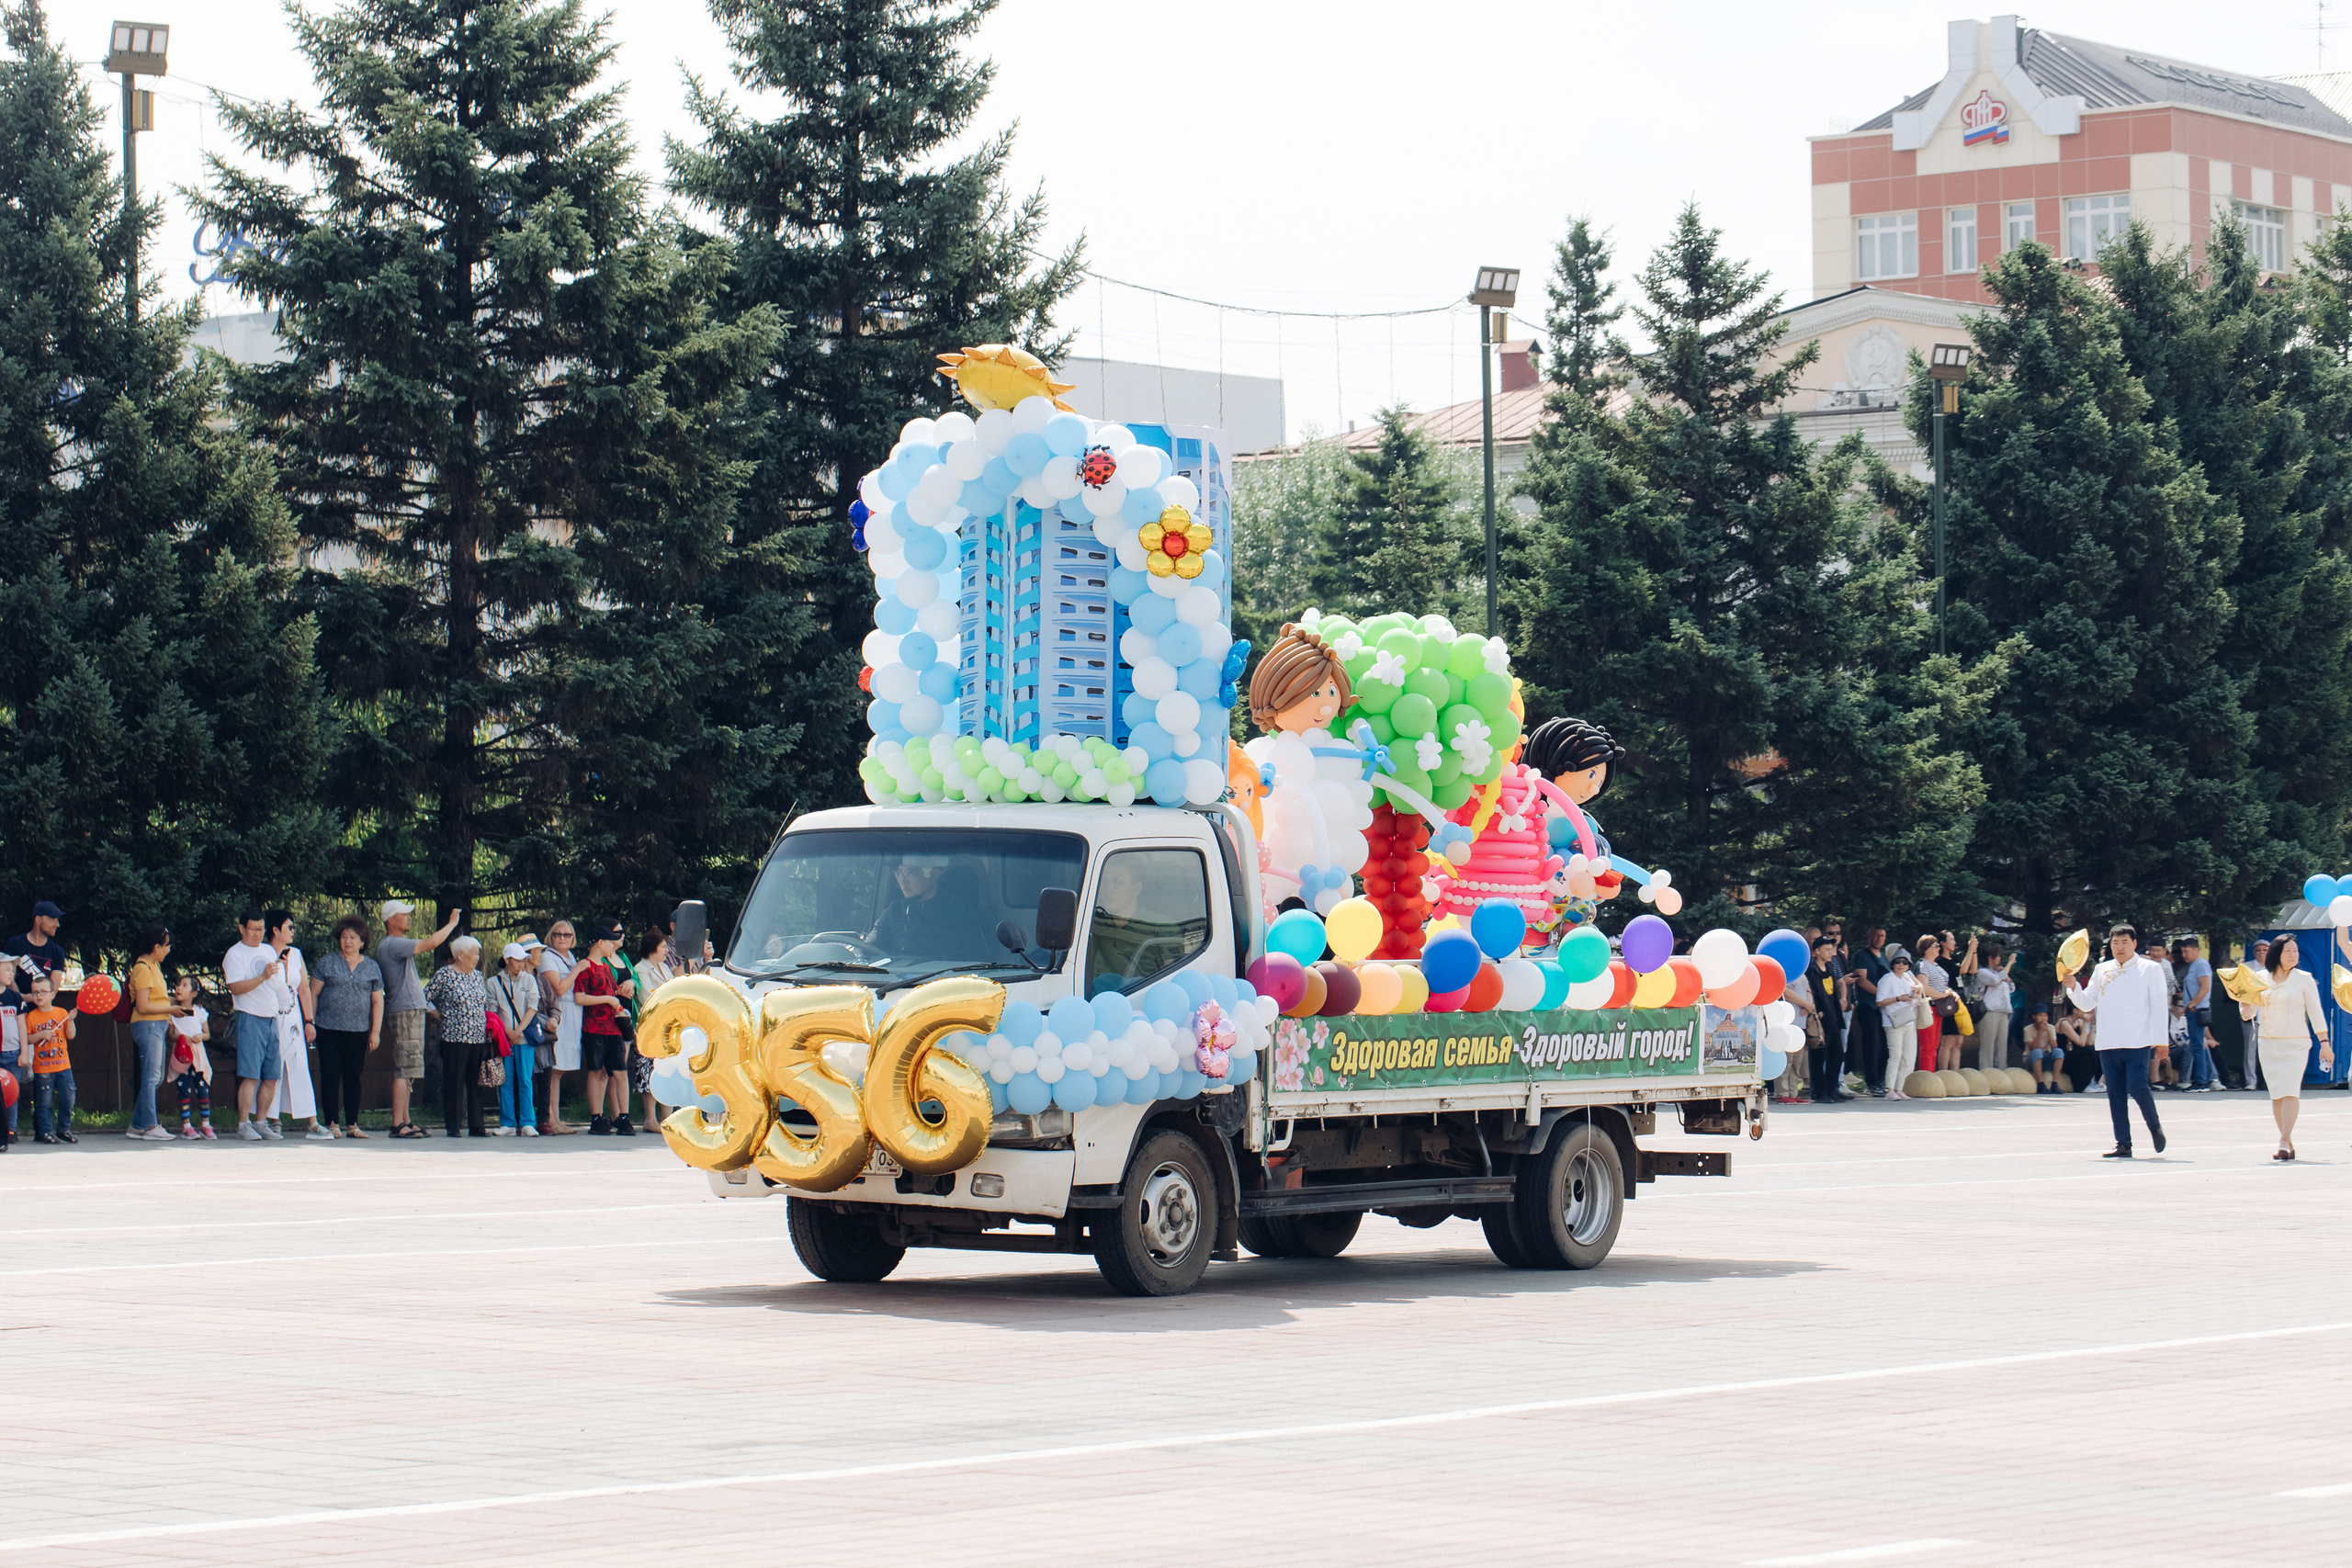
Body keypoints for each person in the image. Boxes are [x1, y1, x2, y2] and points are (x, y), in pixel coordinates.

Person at [2065, 922, 2169, 1158]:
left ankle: (2154, 1127)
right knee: (2115, 1093)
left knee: (2137, 1086)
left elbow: (2160, 1007)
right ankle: (2123, 1143)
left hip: (2138, 1040)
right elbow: (2088, 1003)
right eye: (2115, 943)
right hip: (2109, 1041)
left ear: (2134, 944)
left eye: (2124, 942)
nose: (2119, 947)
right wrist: (2072, 988)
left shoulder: (2150, 969)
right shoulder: (2102, 969)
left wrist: (2161, 1041)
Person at [377, 899, 461, 1140]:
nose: (409, 918)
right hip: (404, 1011)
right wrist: (452, 924)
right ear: (391, 919)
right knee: (405, 1067)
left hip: (411, 1010)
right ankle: (397, 1123)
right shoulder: (393, 944)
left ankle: (405, 1120)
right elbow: (431, 943)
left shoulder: (395, 945)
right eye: (404, 914)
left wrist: (430, 1009)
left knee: (410, 1067)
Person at [2247, 935, 2331, 1160]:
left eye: (2296, 951)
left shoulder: (2304, 978)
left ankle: (2283, 1140)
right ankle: (2288, 1142)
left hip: (2296, 1044)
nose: (2293, 955)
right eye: (2288, 951)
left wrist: (2325, 1044)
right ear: (2277, 954)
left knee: (2290, 1090)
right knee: (2277, 1094)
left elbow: (2316, 1012)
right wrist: (2244, 1002)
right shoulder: (2259, 978)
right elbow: (2249, 1014)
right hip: (2268, 1042)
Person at [311, 916, 384, 1139]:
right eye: (344, 937)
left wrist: (375, 1031)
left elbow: (377, 1001)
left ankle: (352, 1124)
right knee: (330, 1075)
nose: (348, 941)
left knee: (353, 1076)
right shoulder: (327, 962)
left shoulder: (372, 967)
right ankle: (332, 1122)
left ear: (362, 941)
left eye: (353, 937)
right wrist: (310, 1022)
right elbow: (313, 992)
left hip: (358, 1031)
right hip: (328, 1028)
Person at [223, 908, 288, 1140]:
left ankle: (261, 1121)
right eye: (253, 929)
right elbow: (236, 988)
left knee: (271, 1075)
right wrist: (262, 976)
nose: (258, 934)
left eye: (261, 929)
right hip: (249, 1016)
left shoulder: (269, 950)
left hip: (271, 1017)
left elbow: (277, 981)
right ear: (242, 929)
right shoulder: (235, 954)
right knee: (250, 1074)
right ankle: (243, 1124)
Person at [424, 935, 493, 1138]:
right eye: (474, 953)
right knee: (454, 1082)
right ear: (460, 955)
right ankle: (453, 1126)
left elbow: (484, 1004)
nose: (477, 958)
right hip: (454, 1037)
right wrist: (435, 1013)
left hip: (477, 1037)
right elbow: (423, 995)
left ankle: (477, 1125)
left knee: (476, 1082)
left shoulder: (477, 976)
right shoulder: (445, 974)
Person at [266, 910, 329, 1140]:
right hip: (271, 1015)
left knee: (299, 1064)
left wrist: (309, 1021)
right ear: (275, 930)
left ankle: (311, 1120)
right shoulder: (264, 954)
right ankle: (272, 1119)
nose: (293, 931)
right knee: (273, 1066)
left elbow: (303, 988)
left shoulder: (296, 954)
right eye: (289, 927)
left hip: (293, 1018)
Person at [573, 922, 636, 1134]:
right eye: (610, 942)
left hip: (614, 1027)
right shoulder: (585, 966)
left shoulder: (606, 968)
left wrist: (619, 997)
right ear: (600, 943)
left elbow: (613, 993)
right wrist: (608, 998)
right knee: (596, 1071)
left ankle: (624, 1116)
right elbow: (579, 997)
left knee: (619, 1071)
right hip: (594, 1028)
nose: (613, 946)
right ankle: (596, 1117)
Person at [126, 924, 177, 1142]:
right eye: (167, 946)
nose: (169, 950)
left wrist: (176, 1005)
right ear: (156, 947)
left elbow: (159, 999)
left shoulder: (154, 966)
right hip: (148, 1025)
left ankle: (137, 1125)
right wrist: (170, 1009)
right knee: (151, 1077)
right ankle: (150, 1125)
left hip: (158, 1025)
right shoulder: (143, 969)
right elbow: (143, 1006)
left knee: (154, 1079)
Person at [487, 942, 541, 1137]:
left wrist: (518, 1030)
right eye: (517, 960)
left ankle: (528, 1122)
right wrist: (507, 1031)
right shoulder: (493, 982)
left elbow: (532, 1007)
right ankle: (508, 1122)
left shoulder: (529, 980)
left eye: (522, 959)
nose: (521, 963)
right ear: (508, 960)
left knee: (525, 1079)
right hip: (504, 1038)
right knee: (506, 1080)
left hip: (524, 1037)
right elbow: (493, 1011)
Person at [537, 922, 582, 1134]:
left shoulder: (570, 957)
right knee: (554, 1069)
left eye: (567, 934)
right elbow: (560, 989)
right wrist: (578, 969)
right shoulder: (549, 957)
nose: (562, 938)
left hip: (573, 1014)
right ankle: (550, 1118)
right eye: (557, 934)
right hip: (559, 1012)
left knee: (561, 1070)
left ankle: (556, 1116)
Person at [629, 927, 676, 1133]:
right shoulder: (641, 969)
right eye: (663, 946)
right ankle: (650, 1119)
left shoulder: (665, 968)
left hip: (668, 1028)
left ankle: (667, 1117)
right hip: (649, 1027)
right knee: (648, 1072)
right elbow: (647, 997)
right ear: (652, 948)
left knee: (668, 1072)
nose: (667, 950)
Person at [24, 969, 76, 1143]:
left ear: (52, 994)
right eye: (35, 992)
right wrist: (40, 1035)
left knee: (68, 1097)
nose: (39, 995)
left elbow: (71, 1035)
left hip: (63, 1065)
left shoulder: (61, 1013)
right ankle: (46, 1132)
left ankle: (63, 1129)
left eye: (43, 992)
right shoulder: (31, 1017)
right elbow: (27, 1039)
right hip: (43, 1067)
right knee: (44, 1102)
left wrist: (70, 1020)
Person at [166, 976, 215, 1138]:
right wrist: (180, 1037)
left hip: (198, 1057)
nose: (179, 988)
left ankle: (206, 1124)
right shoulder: (174, 1013)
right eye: (178, 984)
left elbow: (207, 1034)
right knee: (183, 1089)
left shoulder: (200, 1012)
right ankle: (186, 1126)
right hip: (182, 1057)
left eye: (184, 985)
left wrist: (200, 1036)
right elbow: (171, 1035)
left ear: (194, 993)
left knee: (202, 1089)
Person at [1805, 934, 1849, 1102]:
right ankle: (1819, 1092)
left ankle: (1832, 1089)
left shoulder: (1830, 968)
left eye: (1831, 949)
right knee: (1818, 1055)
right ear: (1816, 951)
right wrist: (1819, 1010)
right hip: (1820, 1019)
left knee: (1837, 1054)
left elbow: (1832, 991)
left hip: (1833, 1017)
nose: (1830, 952)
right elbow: (1813, 992)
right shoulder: (1811, 971)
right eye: (1826, 949)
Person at [1850, 927, 1889, 1097]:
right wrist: (1882, 995)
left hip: (1885, 1008)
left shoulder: (1886, 957)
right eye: (1875, 935)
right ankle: (1871, 1082)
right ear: (1869, 936)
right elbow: (1862, 981)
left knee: (1885, 1046)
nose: (1878, 938)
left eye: (1882, 936)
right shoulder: (1861, 956)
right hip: (1868, 1006)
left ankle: (1881, 1080)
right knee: (1871, 1044)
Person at [2174, 938, 2215, 1091]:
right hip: (2195, 1009)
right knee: (2197, 1045)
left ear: (2196, 950)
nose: (2184, 954)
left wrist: (2192, 1004)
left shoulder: (2200, 964)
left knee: (2197, 1046)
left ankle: (2202, 1081)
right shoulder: (2195, 965)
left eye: (2186, 951)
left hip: (2197, 1010)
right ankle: (2203, 1079)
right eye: (2182, 951)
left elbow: (2205, 987)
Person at [1878, 948, 1919, 1099]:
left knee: (1907, 1056)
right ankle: (1890, 1089)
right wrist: (1898, 998)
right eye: (1898, 962)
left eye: (1904, 962)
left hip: (1907, 1019)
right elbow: (1880, 1001)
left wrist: (1910, 997)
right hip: (1892, 1021)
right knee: (1895, 1055)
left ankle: (1900, 1087)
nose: (1901, 965)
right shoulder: (1887, 979)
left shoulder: (1906, 979)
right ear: (1893, 964)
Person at [1973, 940, 2016, 1073]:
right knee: (1988, 1044)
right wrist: (2008, 965)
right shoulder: (1982, 973)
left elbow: (2011, 988)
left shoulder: (1999, 972)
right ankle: (1987, 1072)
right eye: (1997, 956)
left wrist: (2005, 975)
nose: (1999, 959)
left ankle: (2002, 1071)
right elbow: (1996, 981)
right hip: (1989, 1011)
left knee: (2002, 1044)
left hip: (2003, 1011)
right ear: (1990, 958)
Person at [1915, 934, 1955, 1074]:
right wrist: (1942, 995)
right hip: (1929, 1007)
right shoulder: (1922, 965)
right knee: (1927, 1045)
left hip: (1939, 1008)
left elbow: (1943, 985)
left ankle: (1930, 1075)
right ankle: (1925, 1077)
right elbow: (1923, 987)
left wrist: (1949, 992)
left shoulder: (1936, 965)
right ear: (1926, 949)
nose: (1939, 948)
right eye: (1935, 946)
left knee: (1934, 1045)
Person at [2, 900, 68, 984]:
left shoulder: (57, 952)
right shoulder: (15, 944)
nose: (57, 924)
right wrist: (20, 997)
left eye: (57, 920)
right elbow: (7, 977)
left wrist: (41, 996)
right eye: (52, 919)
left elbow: (53, 989)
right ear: (38, 920)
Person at [0, 956, 26, 1148]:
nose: (12, 974)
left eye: (13, 970)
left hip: (12, 1053)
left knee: (12, 1093)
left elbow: (22, 1025)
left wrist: (24, 1051)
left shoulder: (15, 998)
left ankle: (12, 1130)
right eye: (7, 969)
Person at [2021, 1003, 2065, 1092]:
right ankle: (2041, 1084)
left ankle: (2054, 1084)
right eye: (2040, 1015)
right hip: (2031, 1059)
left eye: (2045, 1015)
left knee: (2059, 1051)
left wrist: (2048, 1032)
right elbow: (2033, 1049)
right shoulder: (2028, 1029)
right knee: (2037, 1052)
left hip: (2045, 1057)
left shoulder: (2051, 1028)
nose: (2043, 1018)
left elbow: (2054, 1047)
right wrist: (2040, 1032)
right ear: (2034, 1017)